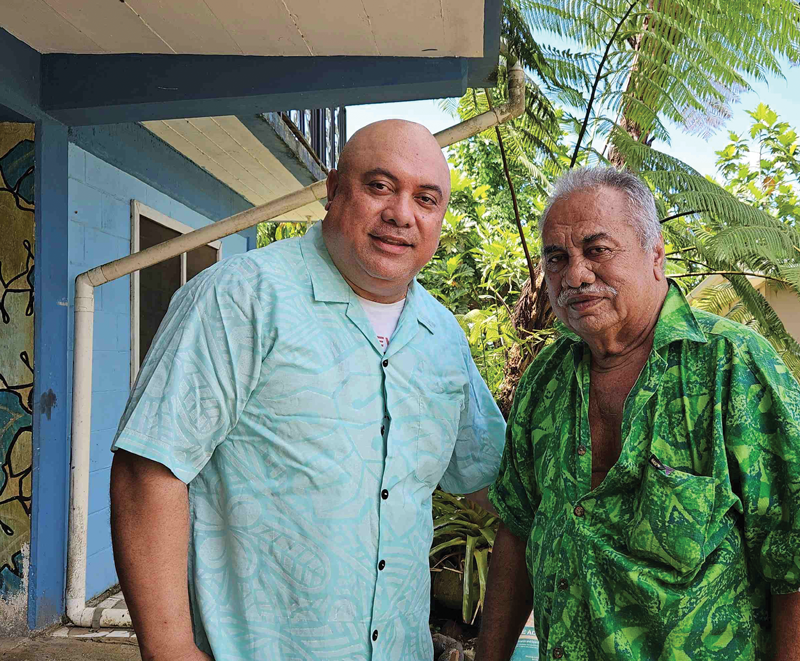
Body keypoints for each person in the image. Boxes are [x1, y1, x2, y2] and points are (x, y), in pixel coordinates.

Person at [109, 120, 506, 661]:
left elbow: (494, 480)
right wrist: (170, 647)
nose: (401, 214)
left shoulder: (443, 338)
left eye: (426, 198)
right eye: (380, 186)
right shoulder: (240, 298)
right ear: (333, 188)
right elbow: (148, 467)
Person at [477, 167, 800, 661]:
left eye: (597, 250)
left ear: (656, 256)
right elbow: (517, 532)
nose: (575, 275)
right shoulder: (547, 379)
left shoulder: (733, 366)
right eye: (557, 259)